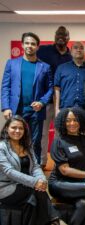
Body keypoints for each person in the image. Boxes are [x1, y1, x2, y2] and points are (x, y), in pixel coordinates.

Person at [1, 32, 53, 164]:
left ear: (37, 47)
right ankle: (14, 167)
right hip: (16, 110)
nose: (30, 46)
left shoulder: (45, 67)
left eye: (33, 44)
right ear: (22, 45)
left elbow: (50, 89)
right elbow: (5, 87)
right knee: (15, 139)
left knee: (35, 142)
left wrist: (42, 102)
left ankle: (33, 168)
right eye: (27, 43)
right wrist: (6, 107)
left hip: (36, 111)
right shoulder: (11, 64)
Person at [48, 107, 85, 225]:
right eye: (68, 120)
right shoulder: (59, 141)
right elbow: (64, 170)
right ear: (63, 123)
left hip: (79, 185)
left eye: (75, 120)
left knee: (83, 204)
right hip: (59, 184)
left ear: (81, 121)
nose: (72, 123)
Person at [0, 115, 60, 225]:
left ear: (24, 130)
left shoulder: (27, 145)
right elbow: (8, 171)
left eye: (21, 128)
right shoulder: (1, 147)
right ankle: (53, 220)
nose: (17, 131)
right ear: (6, 128)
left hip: (26, 185)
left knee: (33, 199)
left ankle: (52, 220)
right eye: (14, 127)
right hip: (6, 187)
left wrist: (41, 179)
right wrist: (35, 182)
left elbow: (36, 167)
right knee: (35, 192)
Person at [37, 25, 72, 168]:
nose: (61, 37)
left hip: (62, 103)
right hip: (45, 101)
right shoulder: (44, 51)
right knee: (43, 133)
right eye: (58, 34)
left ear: (68, 38)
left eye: (64, 35)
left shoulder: (70, 57)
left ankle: (59, 162)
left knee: (60, 134)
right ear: (54, 36)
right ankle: (41, 162)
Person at [54, 41, 85, 115]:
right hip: (65, 109)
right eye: (75, 48)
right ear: (71, 52)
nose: (78, 50)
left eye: (81, 48)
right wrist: (56, 109)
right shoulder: (61, 68)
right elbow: (57, 89)